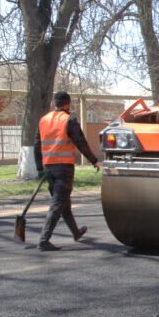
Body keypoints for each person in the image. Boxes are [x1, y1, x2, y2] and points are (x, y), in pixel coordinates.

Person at [33, 91, 102, 251]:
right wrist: (94, 160)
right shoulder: (68, 120)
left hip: (48, 168)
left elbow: (37, 145)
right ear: (68, 104)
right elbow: (81, 142)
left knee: (64, 204)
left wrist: (39, 169)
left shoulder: (43, 120)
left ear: (54, 103)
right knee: (58, 204)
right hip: (64, 168)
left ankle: (76, 232)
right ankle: (44, 240)